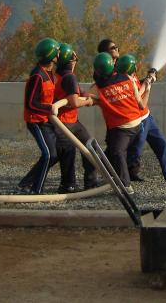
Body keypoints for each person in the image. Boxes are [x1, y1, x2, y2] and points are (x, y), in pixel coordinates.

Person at [97, 39, 166, 186]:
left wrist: (147, 79)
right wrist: (147, 84)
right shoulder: (108, 75)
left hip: (146, 115)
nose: (117, 49)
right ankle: (115, 174)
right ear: (105, 54)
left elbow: (134, 85)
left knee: (161, 144)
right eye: (113, 48)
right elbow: (131, 93)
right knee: (132, 151)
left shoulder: (122, 66)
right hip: (135, 117)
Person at [86, 52, 148, 189]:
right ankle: (105, 175)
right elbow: (140, 103)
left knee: (118, 152)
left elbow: (85, 98)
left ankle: (126, 186)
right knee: (111, 151)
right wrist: (148, 86)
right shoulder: (127, 78)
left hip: (122, 128)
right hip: (138, 124)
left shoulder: (99, 88)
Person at [53, 43, 100, 193]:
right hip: (65, 122)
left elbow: (76, 94)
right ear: (71, 60)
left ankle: (89, 183)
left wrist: (89, 95)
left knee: (89, 147)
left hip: (67, 120)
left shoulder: (58, 75)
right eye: (75, 58)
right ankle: (68, 186)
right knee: (69, 153)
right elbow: (73, 101)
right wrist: (88, 102)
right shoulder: (69, 77)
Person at [18, 38, 61, 194]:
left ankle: (25, 183)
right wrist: (49, 108)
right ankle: (37, 190)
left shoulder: (49, 73)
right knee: (48, 154)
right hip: (35, 121)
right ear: (51, 55)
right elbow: (30, 103)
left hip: (44, 120)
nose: (59, 54)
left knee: (55, 155)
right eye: (57, 52)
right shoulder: (37, 75)